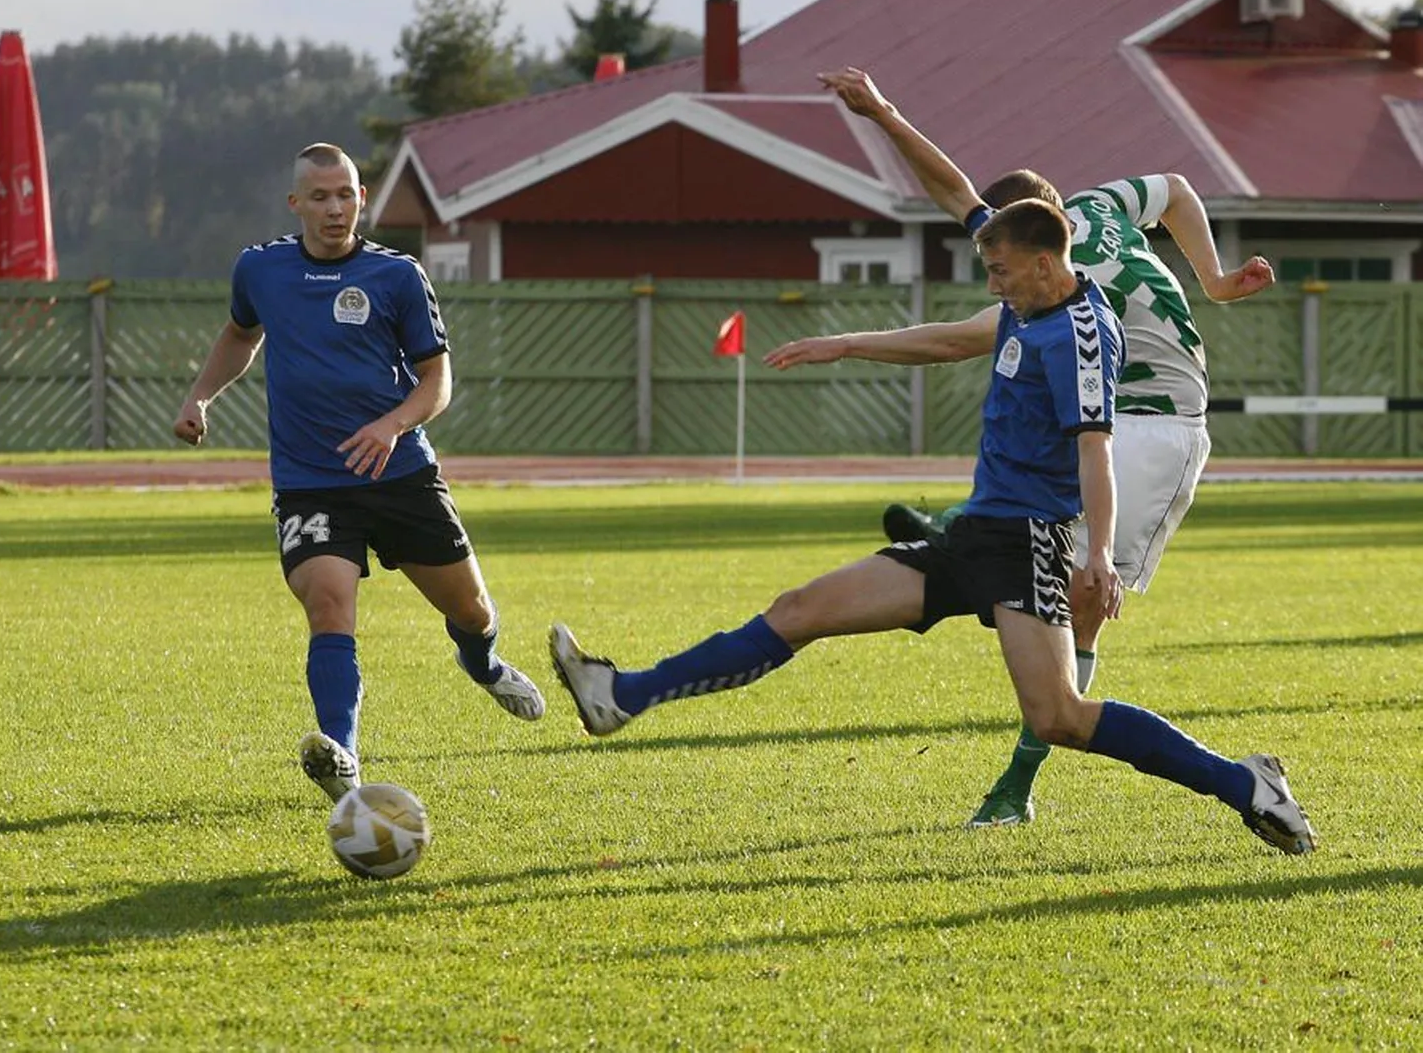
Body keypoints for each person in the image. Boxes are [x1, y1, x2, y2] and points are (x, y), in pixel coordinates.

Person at [550, 194, 1318, 858]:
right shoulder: (1028, 299)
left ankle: (1243, 783)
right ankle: (622, 694)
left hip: (1028, 548)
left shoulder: (1083, 335)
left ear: (1049, 262)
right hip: (972, 536)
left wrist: (1102, 560)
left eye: (1002, 271)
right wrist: (844, 343)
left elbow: (1096, 452)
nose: (993, 287)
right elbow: (954, 289)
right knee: (799, 610)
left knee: (1059, 717)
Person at [785, 67, 1275, 828]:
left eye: (999, 258)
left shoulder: (1062, 289)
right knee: (1033, 541)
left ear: (1032, 243)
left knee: (1079, 600)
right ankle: (966, 536)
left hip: (1159, 422)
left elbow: (952, 335)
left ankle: (1017, 780)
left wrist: (848, 342)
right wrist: (1209, 279)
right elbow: (1176, 187)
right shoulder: (1100, 207)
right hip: (1130, 408)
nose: (999, 275)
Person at [173, 142, 543, 804]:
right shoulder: (260, 269)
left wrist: (392, 423)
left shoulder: (396, 276)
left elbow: (438, 380)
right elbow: (239, 335)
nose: (335, 208)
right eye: (320, 196)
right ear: (296, 204)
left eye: (345, 194)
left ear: (361, 200)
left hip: (399, 473)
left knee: (471, 608)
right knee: (328, 604)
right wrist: (200, 396)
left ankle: (481, 662)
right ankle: (342, 756)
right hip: (311, 482)